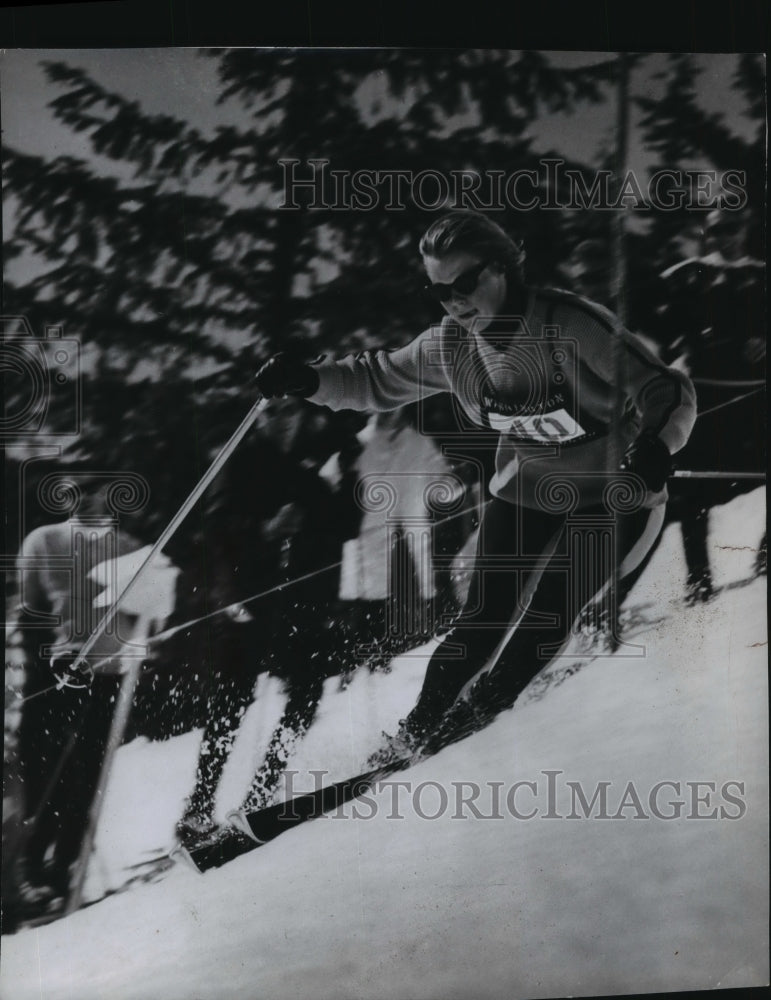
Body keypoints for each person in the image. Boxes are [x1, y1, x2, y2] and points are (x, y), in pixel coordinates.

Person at [255, 209, 697, 758]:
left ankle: (481, 713)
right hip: (530, 487)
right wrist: (308, 379)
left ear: (505, 268)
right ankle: (416, 736)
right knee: (479, 622)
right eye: (439, 291)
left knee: (549, 611)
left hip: (616, 495)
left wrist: (656, 443)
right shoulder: (451, 346)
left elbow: (666, 388)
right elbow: (375, 379)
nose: (455, 302)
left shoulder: (569, 323)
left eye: (465, 282)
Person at [6, 476, 143, 917]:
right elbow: (29, 612)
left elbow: (152, 606)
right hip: (57, 671)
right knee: (45, 768)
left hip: (107, 672)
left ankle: (63, 866)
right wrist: (41, 670)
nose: (87, 497)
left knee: (87, 770)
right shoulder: (43, 540)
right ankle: (25, 868)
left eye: (97, 488)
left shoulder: (129, 547)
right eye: (78, 487)